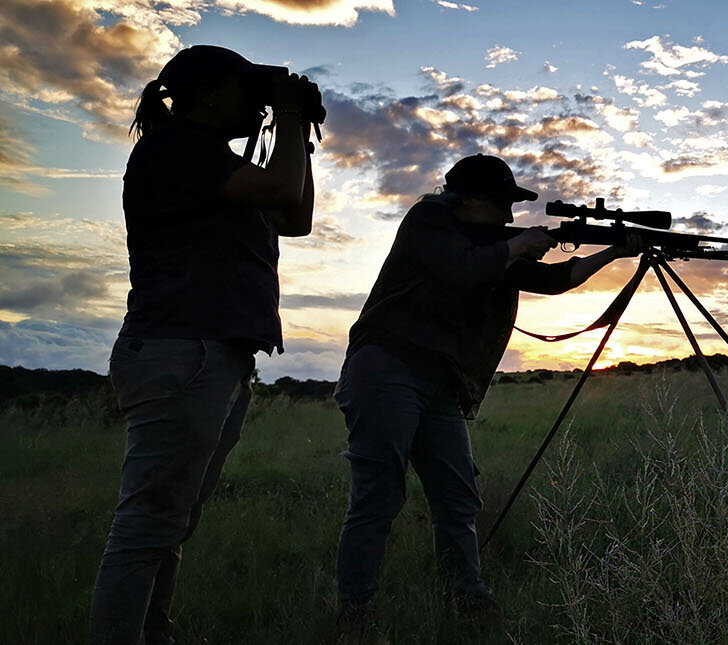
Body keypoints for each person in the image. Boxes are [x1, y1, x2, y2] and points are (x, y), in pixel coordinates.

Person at [332, 154, 641, 641]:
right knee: (377, 496)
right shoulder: (428, 219)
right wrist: (519, 244)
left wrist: (617, 251)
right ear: (469, 200)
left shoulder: (497, 250)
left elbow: (558, 280)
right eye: (502, 205)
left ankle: (468, 598)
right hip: (388, 367)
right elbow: (459, 269)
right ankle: (356, 611)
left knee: (458, 498)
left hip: (444, 384)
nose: (509, 217)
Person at [91, 45, 318, 644]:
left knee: (172, 520)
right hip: (180, 351)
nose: (258, 104)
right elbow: (280, 192)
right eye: (247, 90)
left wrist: (302, 132)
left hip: (209, 355)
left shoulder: (215, 164)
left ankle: (152, 634)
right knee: (148, 523)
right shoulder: (177, 148)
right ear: (211, 94)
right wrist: (291, 117)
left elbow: (294, 216)